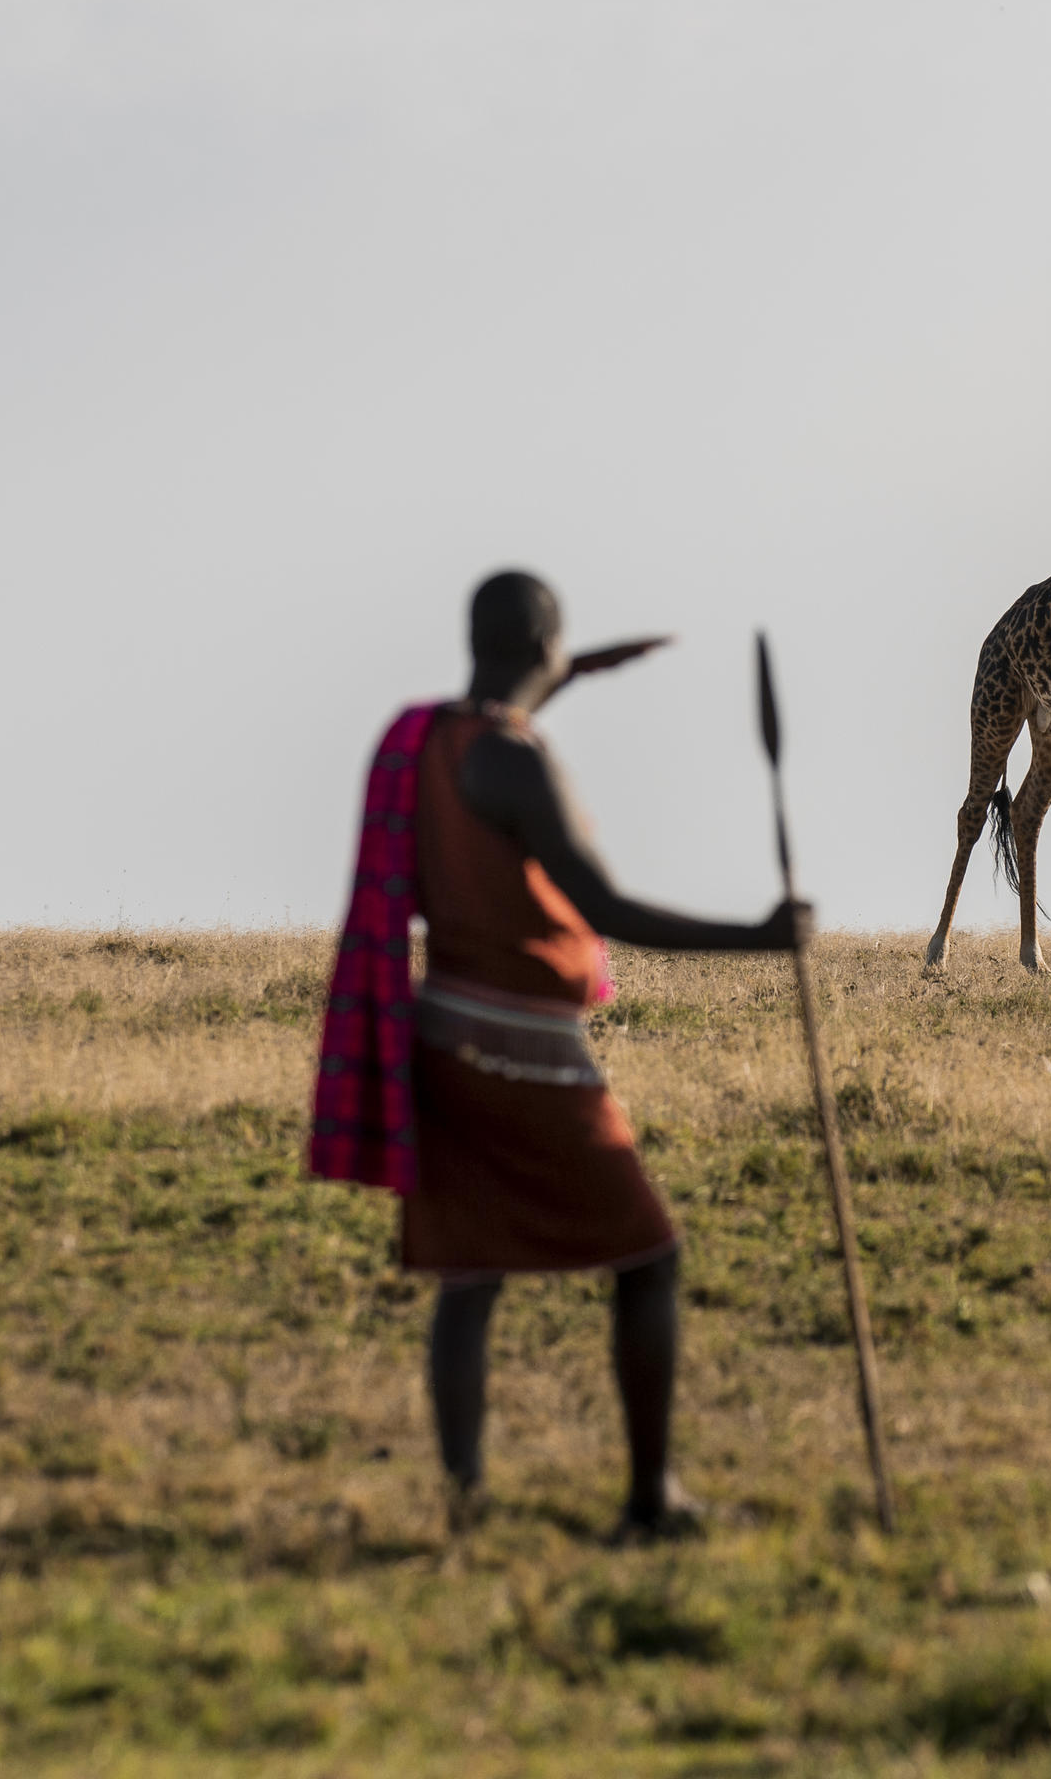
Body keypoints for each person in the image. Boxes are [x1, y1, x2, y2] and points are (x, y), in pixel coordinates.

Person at [321, 570, 804, 1543]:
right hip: (531, 1056)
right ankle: (650, 1500)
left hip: (442, 1039)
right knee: (649, 1258)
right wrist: (761, 938)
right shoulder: (518, 764)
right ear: (547, 645)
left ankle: (464, 1506)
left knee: (470, 1277)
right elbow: (608, 907)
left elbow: (504, 692)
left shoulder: (427, 742)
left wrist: (571, 670)